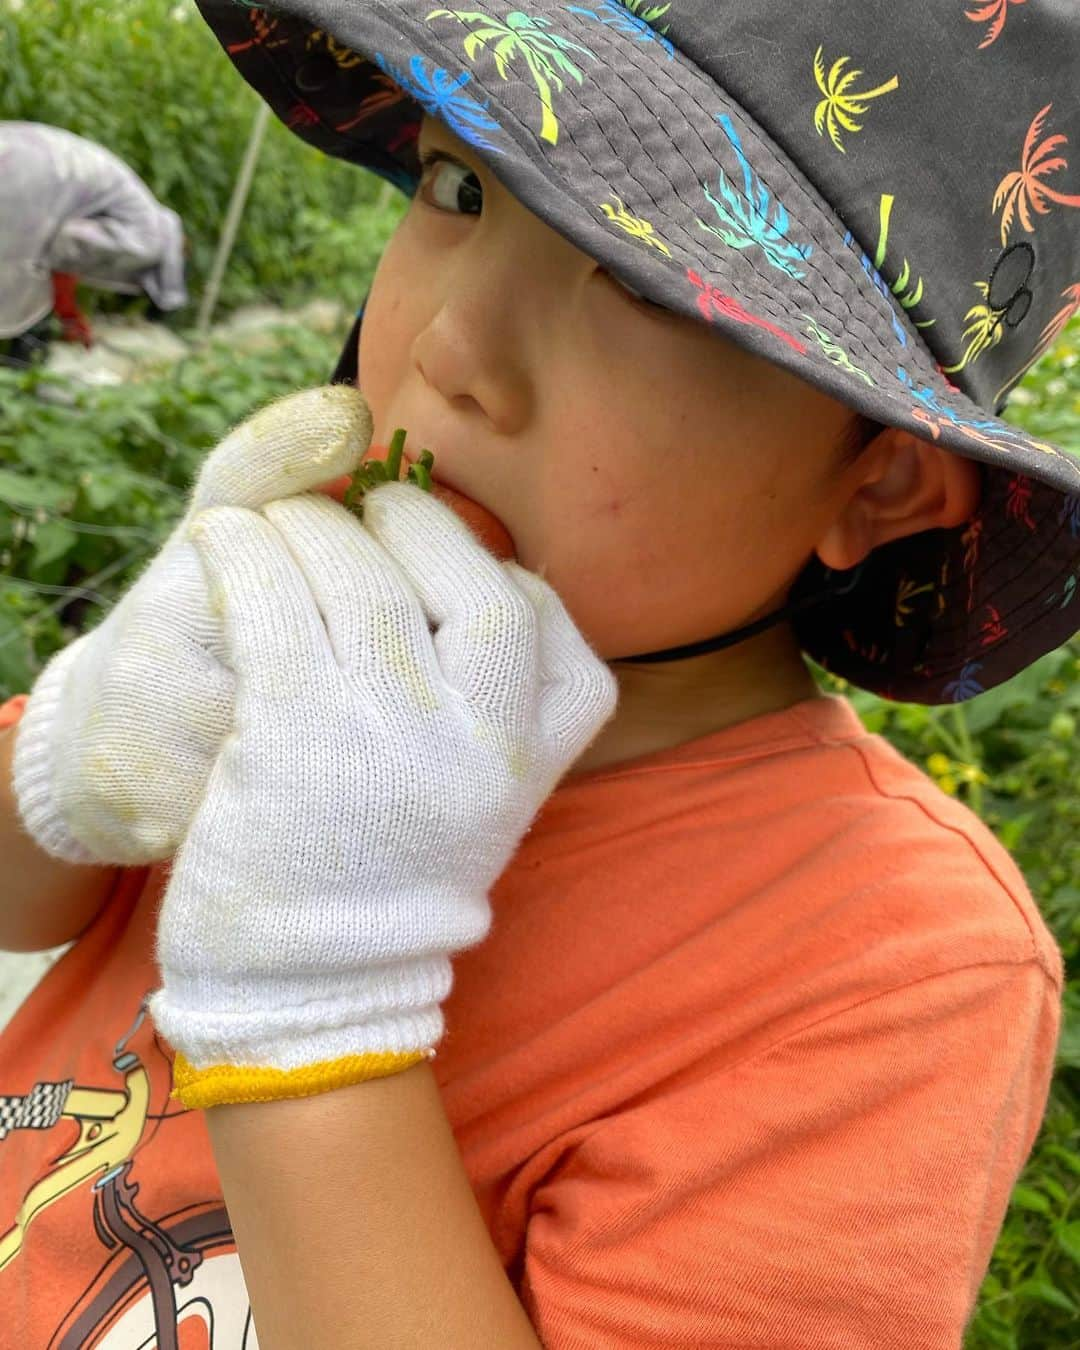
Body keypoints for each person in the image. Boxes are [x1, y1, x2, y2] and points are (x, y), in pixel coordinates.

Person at [1, 3, 1077, 1345]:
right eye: (461, 186)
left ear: (882, 478)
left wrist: (317, 1005)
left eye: (641, 282)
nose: (454, 347)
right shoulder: (314, 630)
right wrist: (84, 747)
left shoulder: (890, 962)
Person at [0, 121, 188, 356]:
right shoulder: (148, 242)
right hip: (28, 177)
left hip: (23, 153)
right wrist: (68, 313)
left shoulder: (144, 212)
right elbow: (66, 245)